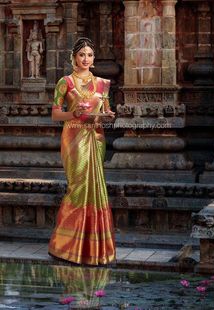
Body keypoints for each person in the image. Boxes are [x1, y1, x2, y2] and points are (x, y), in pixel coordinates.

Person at [48, 37, 116, 265]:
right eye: (82, 55)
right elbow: (55, 114)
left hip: (95, 136)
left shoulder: (102, 84)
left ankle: (94, 249)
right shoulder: (65, 82)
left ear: (93, 59)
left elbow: (106, 112)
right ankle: (66, 246)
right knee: (77, 187)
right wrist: (73, 115)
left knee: (96, 187)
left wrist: (109, 116)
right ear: (74, 58)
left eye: (89, 55)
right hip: (74, 136)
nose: (86, 59)